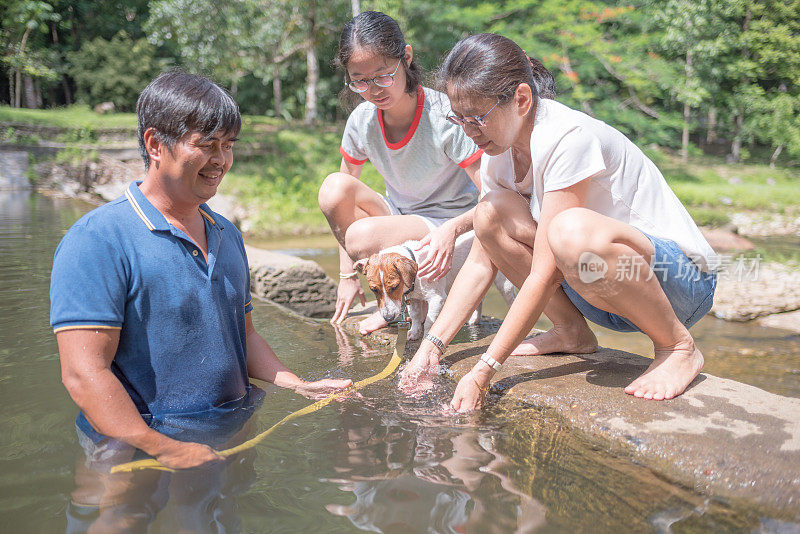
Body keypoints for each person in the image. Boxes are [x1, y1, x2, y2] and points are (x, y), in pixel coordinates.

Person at [50, 70, 352, 471]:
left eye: (228, 146)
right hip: (131, 444)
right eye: (207, 145)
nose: (221, 161)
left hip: (229, 431)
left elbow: (244, 337)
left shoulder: (226, 234)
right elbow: (83, 373)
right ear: (156, 144)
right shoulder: (97, 240)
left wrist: (298, 385)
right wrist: (162, 447)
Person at [399, 34, 717, 408]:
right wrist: (431, 348)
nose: (469, 131)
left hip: (678, 283)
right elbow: (482, 260)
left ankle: (677, 347)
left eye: (478, 118)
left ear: (521, 99)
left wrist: (484, 370)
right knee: (489, 216)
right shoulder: (497, 151)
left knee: (568, 233)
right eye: (460, 119)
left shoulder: (568, 137)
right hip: (603, 294)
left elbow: (546, 270)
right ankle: (571, 331)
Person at [318, 11, 484, 334]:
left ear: (406, 58)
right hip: (399, 216)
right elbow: (342, 207)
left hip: (447, 222)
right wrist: (348, 276)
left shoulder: (444, 117)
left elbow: (494, 195)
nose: (374, 89)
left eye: (382, 75)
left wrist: (452, 230)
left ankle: (399, 299)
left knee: (361, 235)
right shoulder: (361, 121)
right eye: (360, 80)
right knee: (333, 188)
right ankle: (390, 297)